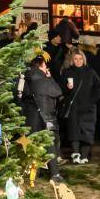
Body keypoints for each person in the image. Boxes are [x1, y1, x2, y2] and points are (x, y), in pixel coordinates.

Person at [21, 54, 64, 182]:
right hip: (45, 118)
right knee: (50, 145)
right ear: (41, 66)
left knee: (32, 146)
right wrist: (50, 78)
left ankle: (32, 173)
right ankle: (55, 174)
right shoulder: (43, 80)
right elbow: (58, 92)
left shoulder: (25, 79)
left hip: (30, 118)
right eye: (45, 65)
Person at [61, 49, 100, 164]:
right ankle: (76, 155)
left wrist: (92, 101)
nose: (78, 61)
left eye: (80, 59)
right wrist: (67, 88)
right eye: (75, 59)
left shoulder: (90, 72)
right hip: (74, 107)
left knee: (87, 132)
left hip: (88, 107)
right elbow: (61, 90)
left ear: (83, 60)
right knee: (74, 132)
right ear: (72, 60)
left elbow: (98, 87)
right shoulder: (67, 72)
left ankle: (84, 156)